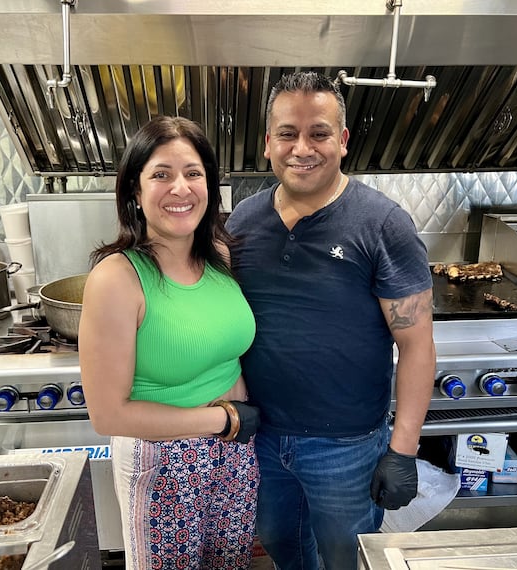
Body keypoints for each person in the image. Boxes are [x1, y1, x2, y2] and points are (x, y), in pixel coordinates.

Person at [225, 71, 436, 570]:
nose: (303, 148)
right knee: (280, 543)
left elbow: (418, 345)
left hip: (345, 445)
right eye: (287, 133)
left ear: (341, 141)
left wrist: (403, 450)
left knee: (345, 556)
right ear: (267, 144)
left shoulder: (383, 224)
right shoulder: (242, 221)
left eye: (318, 133)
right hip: (261, 435)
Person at [79, 115, 261, 570]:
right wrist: (219, 419)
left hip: (235, 451)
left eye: (193, 173)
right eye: (161, 174)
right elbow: (108, 414)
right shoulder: (117, 279)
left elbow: (223, 347)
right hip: (163, 463)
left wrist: (231, 422)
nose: (180, 188)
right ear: (135, 193)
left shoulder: (218, 255)